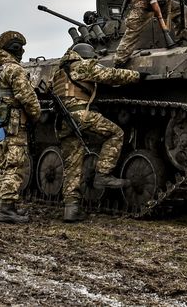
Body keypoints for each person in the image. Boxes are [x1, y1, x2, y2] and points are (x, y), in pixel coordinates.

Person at [52, 42, 142, 222]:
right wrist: (137, 75)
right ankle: (103, 174)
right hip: (81, 115)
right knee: (116, 134)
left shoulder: (59, 73)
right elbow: (110, 75)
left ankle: (71, 209)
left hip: (64, 120)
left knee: (73, 165)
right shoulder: (82, 65)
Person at [0, 30, 41, 224]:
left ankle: (9, 206)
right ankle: (6, 209)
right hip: (13, 124)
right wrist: (36, 115)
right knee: (14, 164)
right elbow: (27, 97)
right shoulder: (13, 69)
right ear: (14, 50)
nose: (21, 51)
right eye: (19, 48)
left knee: (4, 163)